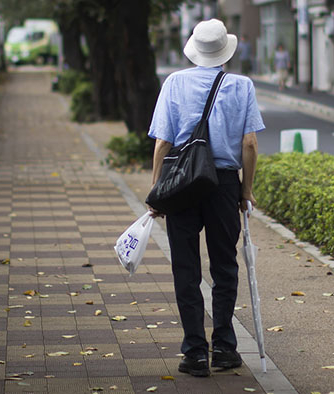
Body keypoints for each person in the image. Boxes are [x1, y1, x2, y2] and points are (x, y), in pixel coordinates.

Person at [147, 19, 265, 377]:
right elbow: (249, 144)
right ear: (224, 51)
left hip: (182, 183)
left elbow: (163, 143)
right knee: (225, 266)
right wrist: (245, 191)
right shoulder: (242, 85)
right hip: (223, 184)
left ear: (194, 49)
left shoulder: (175, 83)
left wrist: (157, 192)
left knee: (185, 267)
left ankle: (195, 352)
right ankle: (226, 348)